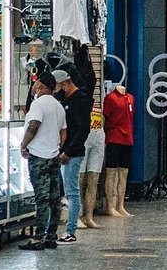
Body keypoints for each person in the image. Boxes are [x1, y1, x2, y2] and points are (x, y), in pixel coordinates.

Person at [20, 74, 67, 251]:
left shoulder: (38, 104)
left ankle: (37, 238)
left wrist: (24, 145)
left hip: (38, 156)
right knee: (54, 198)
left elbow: (33, 125)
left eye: (35, 83)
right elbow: (64, 133)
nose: (33, 87)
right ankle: (51, 236)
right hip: (54, 157)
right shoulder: (58, 106)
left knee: (41, 198)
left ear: (40, 85)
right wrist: (56, 148)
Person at [56, 69, 92, 244]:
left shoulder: (80, 101)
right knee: (69, 191)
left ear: (65, 84)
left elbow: (82, 129)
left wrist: (69, 151)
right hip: (67, 151)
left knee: (72, 192)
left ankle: (70, 230)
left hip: (72, 153)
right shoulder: (67, 100)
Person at [101, 81, 135, 217]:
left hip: (127, 138)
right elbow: (106, 116)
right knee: (111, 172)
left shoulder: (131, 98)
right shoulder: (110, 98)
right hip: (114, 138)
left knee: (123, 173)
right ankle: (110, 206)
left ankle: (120, 205)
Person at [80, 108, 106, 229]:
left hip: (98, 131)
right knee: (79, 178)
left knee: (94, 178)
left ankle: (89, 216)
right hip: (84, 132)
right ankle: (77, 216)